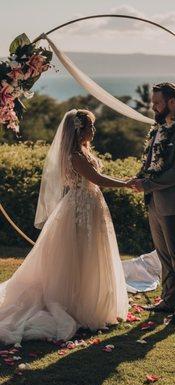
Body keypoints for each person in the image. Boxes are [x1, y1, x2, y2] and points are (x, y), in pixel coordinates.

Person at [0, 109, 129, 345]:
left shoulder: (83, 151)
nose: (93, 130)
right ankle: (78, 305)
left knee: (89, 255)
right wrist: (128, 184)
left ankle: (89, 299)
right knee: (80, 255)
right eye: (90, 126)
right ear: (80, 130)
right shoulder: (75, 156)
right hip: (80, 209)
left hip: (90, 206)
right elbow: (97, 180)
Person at [129, 82, 175, 325]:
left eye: (158, 103)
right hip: (155, 202)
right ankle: (168, 300)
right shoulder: (159, 128)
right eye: (153, 102)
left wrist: (147, 184)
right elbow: (152, 162)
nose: (153, 107)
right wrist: (141, 178)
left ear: (172, 103)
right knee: (164, 256)